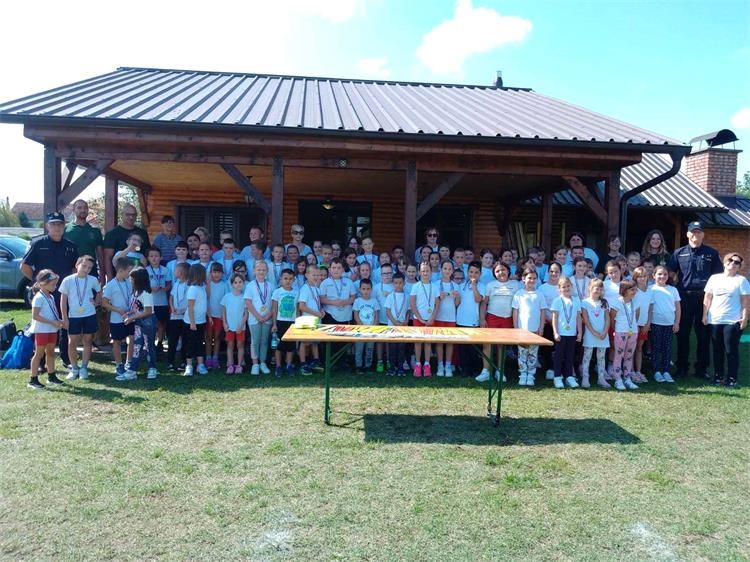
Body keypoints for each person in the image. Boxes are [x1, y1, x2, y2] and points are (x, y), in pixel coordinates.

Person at [20, 212, 78, 368]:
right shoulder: (38, 243)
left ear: (64, 226)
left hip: (63, 292)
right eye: (53, 224)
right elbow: (24, 266)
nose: (57, 227)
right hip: (44, 293)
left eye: (60, 224)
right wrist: (38, 282)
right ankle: (40, 361)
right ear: (47, 226)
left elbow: (75, 268)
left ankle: (66, 359)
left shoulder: (71, 246)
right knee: (42, 325)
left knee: (64, 324)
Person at [668, 221, 722, 380]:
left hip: (704, 299)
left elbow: (718, 277)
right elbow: (670, 273)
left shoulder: (712, 253)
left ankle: (701, 369)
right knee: (682, 334)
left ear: (703, 234)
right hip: (684, 297)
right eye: (693, 232)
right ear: (687, 234)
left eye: (699, 232)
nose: (695, 235)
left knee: (703, 335)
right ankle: (682, 367)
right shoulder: (679, 253)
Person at [702, 253, 749, 387]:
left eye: (737, 262)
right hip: (715, 319)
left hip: (732, 321)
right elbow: (707, 298)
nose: (733, 263)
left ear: (739, 267)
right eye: (730, 260)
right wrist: (704, 315)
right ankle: (719, 377)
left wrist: (745, 318)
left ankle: (732, 378)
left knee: (730, 350)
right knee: (717, 350)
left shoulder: (741, 280)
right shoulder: (714, 278)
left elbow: (745, 301)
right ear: (724, 262)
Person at [476, 261, 519, 383]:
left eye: (503, 270)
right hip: (492, 318)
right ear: (494, 273)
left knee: (502, 346)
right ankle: (486, 371)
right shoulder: (490, 285)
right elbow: (484, 303)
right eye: (497, 271)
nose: (501, 273)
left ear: (508, 270)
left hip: (507, 319)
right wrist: (482, 319)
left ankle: (500, 371)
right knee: (487, 344)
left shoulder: (515, 285)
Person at [59, 255, 100, 381]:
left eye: (89, 268)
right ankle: (74, 368)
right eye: (84, 266)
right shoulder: (68, 280)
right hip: (73, 316)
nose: (86, 269)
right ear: (77, 265)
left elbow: (99, 291)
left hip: (89, 314)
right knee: (72, 341)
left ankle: (84, 368)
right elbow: (63, 300)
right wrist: (65, 318)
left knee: (88, 340)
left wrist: (96, 302)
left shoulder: (92, 279)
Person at [27, 270, 66, 389]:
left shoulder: (51, 296)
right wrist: (52, 322)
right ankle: (33, 380)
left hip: (51, 329)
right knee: (39, 354)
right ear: (42, 283)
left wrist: (58, 320)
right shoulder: (38, 297)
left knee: (50, 352)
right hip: (41, 330)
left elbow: (51, 312)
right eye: (53, 284)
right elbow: (35, 316)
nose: (55, 286)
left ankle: (51, 376)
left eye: (55, 284)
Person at [118, 268, 158, 381]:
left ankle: (152, 368)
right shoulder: (135, 292)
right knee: (137, 346)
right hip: (138, 322)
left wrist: (132, 318)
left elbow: (148, 311)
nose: (130, 280)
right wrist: (129, 313)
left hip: (148, 322)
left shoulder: (146, 293)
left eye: (132, 278)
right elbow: (137, 308)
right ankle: (132, 370)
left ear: (138, 280)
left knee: (149, 345)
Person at [512, 268, 546, 386]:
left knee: (533, 353)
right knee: (522, 353)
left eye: (534, 278)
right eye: (529, 278)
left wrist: (541, 328)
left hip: (535, 330)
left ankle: (531, 375)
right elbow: (515, 311)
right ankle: (522, 374)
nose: (532, 280)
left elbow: (542, 312)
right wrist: (516, 328)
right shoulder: (519, 294)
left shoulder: (539, 294)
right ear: (523, 279)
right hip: (522, 330)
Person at [647, 266, 681, 384]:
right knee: (656, 347)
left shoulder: (673, 290)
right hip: (655, 323)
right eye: (659, 274)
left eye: (665, 274)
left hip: (669, 323)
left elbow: (677, 307)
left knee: (667, 347)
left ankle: (666, 371)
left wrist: (676, 322)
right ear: (654, 275)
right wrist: (648, 322)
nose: (662, 276)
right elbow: (649, 307)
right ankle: (656, 371)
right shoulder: (650, 289)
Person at [101, 258, 135, 376]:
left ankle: (129, 362)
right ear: (120, 270)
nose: (130, 273)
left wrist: (132, 309)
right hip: (116, 318)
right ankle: (119, 364)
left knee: (132, 339)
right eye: (129, 271)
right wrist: (118, 310)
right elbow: (104, 303)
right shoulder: (111, 285)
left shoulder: (129, 282)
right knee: (117, 341)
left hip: (130, 316)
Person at [550, 276, 582, 389]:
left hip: (572, 334)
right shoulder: (557, 301)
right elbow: (554, 318)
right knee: (559, 356)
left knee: (570, 356)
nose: (566, 288)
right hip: (561, 334)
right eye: (564, 287)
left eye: (568, 286)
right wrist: (555, 332)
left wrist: (579, 332)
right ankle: (557, 377)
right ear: (559, 288)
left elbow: (578, 317)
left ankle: (569, 376)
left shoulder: (576, 300)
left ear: (571, 286)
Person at [103, 204, 150, 280]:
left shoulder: (143, 233)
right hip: (119, 277)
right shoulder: (112, 234)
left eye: (133, 215)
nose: (131, 217)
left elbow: (147, 254)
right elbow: (107, 258)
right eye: (128, 214)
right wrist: (110, 278)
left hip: (138, 278)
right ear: (122, 215)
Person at [609, 281, 640, 390]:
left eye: (635, 290)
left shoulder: (636, 302)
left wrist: (632, 326)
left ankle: (627, 378)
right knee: (618, 355)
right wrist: (615, 330)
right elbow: (612, 318)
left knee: (629, 355)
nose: (634, 292)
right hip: (620, 332)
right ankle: (618, 379)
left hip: (633, 332)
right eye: (632, 290)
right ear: (624, 290)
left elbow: (636, 317)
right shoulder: (617, 302)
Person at [455, 260, 485, 377]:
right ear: (467, 272)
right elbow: (457, 303)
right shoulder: (461, 285)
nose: (473, 274)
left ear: (480, 274)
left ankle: (474, 369)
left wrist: (474, 286)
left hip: (474, 321)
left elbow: (478, 300)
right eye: (471, 272)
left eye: (476, 272)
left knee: (474, 349)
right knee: (463, 348)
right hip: (461, 320)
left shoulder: (482, 286)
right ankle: (464, 369)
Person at [65, 199, 105, 282]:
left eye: (85, 208)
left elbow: (100, 256)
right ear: (73, 210)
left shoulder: (95, 231)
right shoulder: (65, 229)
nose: (83, 210)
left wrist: (102, 275)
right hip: (69, 273)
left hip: (90, 272)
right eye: (79, 208)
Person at [580, 279, 610, 388]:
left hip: (602, 334)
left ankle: (601, 378)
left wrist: (605, 331)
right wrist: (593, 332)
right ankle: (585, 377)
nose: (598, 290)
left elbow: (607, 318)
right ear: (590, 288)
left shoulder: (604, 302)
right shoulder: (585, 302)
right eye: (596, 288)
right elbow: (585, 319)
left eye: (601, 289)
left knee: (601, 357)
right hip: (590, 334)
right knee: (587, 356)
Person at [410, 261, 438, 377]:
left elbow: (437, 304)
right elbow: (412, 304)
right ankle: (418, 364)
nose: (425, 273)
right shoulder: (415, 286)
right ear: (419, 272)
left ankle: (427, 364)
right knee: (418, 342)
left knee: (428, 342)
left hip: (430, 319)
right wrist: (420, 318)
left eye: (427, 271)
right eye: (423, 271)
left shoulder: (435, 287)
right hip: (418, 319)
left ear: (431, 272)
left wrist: (432, 317)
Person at [245, 261, 273, 375]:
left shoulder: (270, 286)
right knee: (255, 341)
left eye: (263, 270)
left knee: (264, 341)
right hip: (254, 318)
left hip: (267, 318)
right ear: (254, 271)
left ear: (267, 271)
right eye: (259, 269)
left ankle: (263, 362)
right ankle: (255, 364)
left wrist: (267, 316)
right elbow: (248, 302)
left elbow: (274, 303)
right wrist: (258, 316)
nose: (261, 272)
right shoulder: (250, 285)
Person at [433, 260, 460, 377]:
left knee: (450, 341)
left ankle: (448, 365)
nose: (447, 271)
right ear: (441, 269)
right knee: (439, 341)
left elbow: (457, 304)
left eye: (449, 269)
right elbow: (433, 302)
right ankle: (440, 364)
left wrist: (456, 297)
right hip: (439, 316)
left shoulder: (456, 285)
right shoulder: (435, 284)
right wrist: (439, 298)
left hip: (451, 317)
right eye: (445, 268)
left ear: (452, 271)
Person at [297, 264, 325, 375]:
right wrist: (316, 313)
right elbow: (301, 306)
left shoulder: (317, 289)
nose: (316, 277)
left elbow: (317, 304)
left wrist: (321, 310)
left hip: (316, 319)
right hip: (307, 320)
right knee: (304, 342)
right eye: (313, 275)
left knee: (315, 342)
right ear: (306, 275)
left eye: (318, 275)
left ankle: (316, 362)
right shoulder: (305, 288)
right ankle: (303, 364)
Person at [271, 269, 299, 377]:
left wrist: (297, 322)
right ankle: (278, 366)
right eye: (285, 278)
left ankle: (288, 365)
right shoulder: (277, 292)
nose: (288, 281)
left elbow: (297, 309)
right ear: (281, 279)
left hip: (292, 322)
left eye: (290, 279)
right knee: (279, 346)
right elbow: (274, 309)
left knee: (291, 346)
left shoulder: (296, 292)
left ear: (294, 280)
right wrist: (274, 324)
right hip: (280, 322)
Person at [183, 263, 209, 377]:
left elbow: (204, 303)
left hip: (201, 321)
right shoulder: (192, 289)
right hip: (191, 322)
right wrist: (192, 322)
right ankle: (189, 366)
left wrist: (209, 316)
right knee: (190, 343)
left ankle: (200, 364)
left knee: (199, 343)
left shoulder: (202, 288)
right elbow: (190, 307)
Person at [221, 273, 248, 375]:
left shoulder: (245, 297)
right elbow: (223, 311)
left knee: (240, 345)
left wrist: (241, 325)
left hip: (240, 327)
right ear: (232, 284)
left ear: (243, 283)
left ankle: (239, 365)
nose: (238, 284)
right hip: (229, 327)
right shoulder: (227, 297)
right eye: (235, 282)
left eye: (240, 282)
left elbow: (246, 314)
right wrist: (224, 323)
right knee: (230, 345)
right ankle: (230, 365)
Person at [146, 247, 171, 354]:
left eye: (156, 256)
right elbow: (143, 286)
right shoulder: (145, 270)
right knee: (150, 324)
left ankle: (159, 342)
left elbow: (169, 284)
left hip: (162, 302)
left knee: (161, 323)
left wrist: (165, 288)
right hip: (150, 302)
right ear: (148, 258)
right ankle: (150, 343)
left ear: (161, 257)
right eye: (151, 256)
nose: (154, 258)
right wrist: (150, 288)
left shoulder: (165, 270)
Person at [385, 272, 409, 376]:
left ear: (404, 283)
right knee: (392, 348)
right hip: (392, 326)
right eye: (396, 283)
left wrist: (406, 321)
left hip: (403, 326)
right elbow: (388, 311)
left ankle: (400, 368)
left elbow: (408, 311)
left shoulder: (407, 296)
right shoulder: (390, 296)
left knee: (401, 348)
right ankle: (391, 368)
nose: (398, 285)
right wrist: (394, 322)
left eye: (400, 283)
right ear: (393, 284)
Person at [352, 279, 379, 374]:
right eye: (363, 289)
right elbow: (356, 315)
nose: (366, 291)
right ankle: (358, 366)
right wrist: (361, 325)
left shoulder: (374, 301)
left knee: (369, 349)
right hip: (360, 330)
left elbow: (376, 315)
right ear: (360, 289)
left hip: (371, 330)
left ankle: (368, 366)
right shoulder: (357, 301)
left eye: (368, 289)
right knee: (359, 349)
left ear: (371, 289)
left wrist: (374, 326)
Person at [631, 267, 652, 383]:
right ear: (635, 278)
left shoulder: (650, 291)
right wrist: (633, 324)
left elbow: (650, 308)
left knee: (639, 348)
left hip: (644, 324)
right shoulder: (633, 291)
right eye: (639, 277)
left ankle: (638, 371)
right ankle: (630, 371)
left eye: (644, 276)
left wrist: (648, 324)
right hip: (633, 325)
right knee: (631, 348)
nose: (642, 279)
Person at [167, 262, 190, 371]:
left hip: (185, 317)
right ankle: (170, 362)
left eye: (176, 270)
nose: (174, 272)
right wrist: (172, 307)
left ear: (181, 272)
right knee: (172, 340)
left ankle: (184, 362)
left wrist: (184, 310)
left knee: (185, 339)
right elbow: (171, 297)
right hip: (175, 316)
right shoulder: (176, 283)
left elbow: (191, 301)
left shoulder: (189, 285)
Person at [206, 263, 228, 369]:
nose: (216, 274)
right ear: (210, 273)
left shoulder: (224, 285)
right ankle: (208, 358)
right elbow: (206, 298)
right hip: (209, 315)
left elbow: (226, 301)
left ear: (222, 274)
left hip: (219, 315)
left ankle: (215, 358)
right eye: (214, 272)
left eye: (219, 272)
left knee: (217, 337)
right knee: (208, 337)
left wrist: (224, 315)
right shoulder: (207, 284)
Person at [373, 263, 394, 372]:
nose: (387, 276)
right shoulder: (376, 287)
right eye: (384, 273)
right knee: (380, 341)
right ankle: (380, 361)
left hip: (392, 320)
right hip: (380, 318)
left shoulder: (395, 285)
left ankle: (389, 361)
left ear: (392, 273)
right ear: (381, 275)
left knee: (389, 341)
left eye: (389, 273)